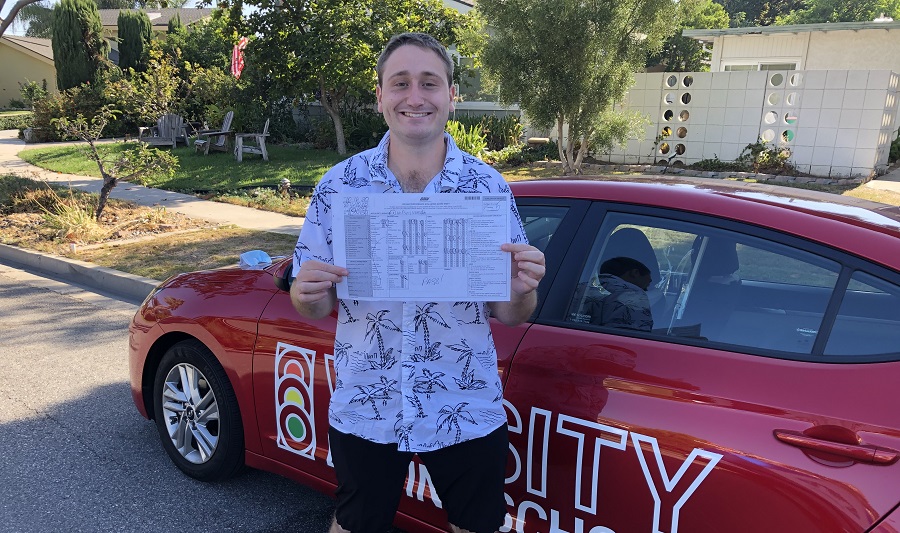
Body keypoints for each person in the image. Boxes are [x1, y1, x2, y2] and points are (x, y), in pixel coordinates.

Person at [289, 32, 546, 533]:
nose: (415, 96)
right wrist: (305, 294)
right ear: (381, 94)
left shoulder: (487, 188)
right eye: (400, 83)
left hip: (464, 400)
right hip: (368, 399)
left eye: (429, 83)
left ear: (452, 95)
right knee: (355, 525)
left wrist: (522, 288)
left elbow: (512, 314)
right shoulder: (339, 185)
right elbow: (315, 307)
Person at [581, 256, 654, 331]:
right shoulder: (632, 292)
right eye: (647, 285)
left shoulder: (579, 288)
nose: (646, 290)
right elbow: (633, 334)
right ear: (635, 273)